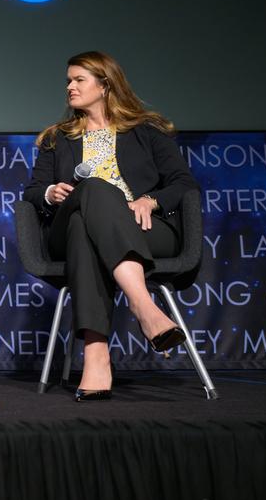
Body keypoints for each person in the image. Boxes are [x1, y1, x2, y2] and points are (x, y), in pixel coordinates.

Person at [23, 51, 200, 401]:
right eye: (68, 81)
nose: (70, 87)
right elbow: (31, 193)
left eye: (79, 80)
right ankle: (144, 306)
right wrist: (50, 192)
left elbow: (183, 182)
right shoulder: (57, 138)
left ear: (105, 85)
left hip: (143, 226)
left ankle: (97, 356)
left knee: (82, 231)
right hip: (67, 225)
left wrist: (151, 200)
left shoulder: (146, 131)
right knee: (90, 193)